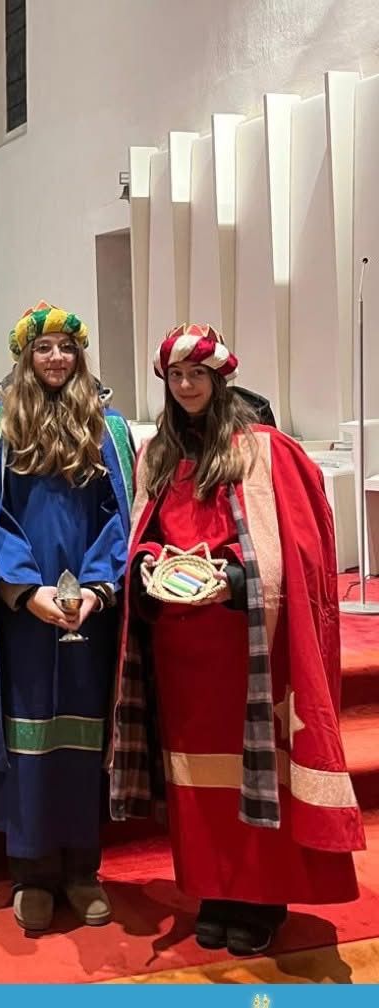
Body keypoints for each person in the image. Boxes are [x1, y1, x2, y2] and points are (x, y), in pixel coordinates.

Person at [110, 323, 363, 955]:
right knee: (198, 786)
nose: (188, 385)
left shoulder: (265, 450)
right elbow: (143, 528)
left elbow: (303, 547)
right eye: (176, 376)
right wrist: (146, 565)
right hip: (181, 649)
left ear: (221, 379)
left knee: (257, 776)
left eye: (198, 375)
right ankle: (215, 891)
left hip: (245, 643)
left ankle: (260, 899)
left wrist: (232, 576)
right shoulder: (158, 455)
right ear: (165, 383)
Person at [0, 302, 133, 931]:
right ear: (24, 357)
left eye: (67, 349)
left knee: (83, 740)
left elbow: (121, 514)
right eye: (43, 349)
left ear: (81, 357)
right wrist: (26, 591)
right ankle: (30, 870)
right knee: (29, 738)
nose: (56, 359)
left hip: (92, 608)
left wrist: (101, 588)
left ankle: (82, 868)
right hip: (23, 614)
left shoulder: (109, 427)